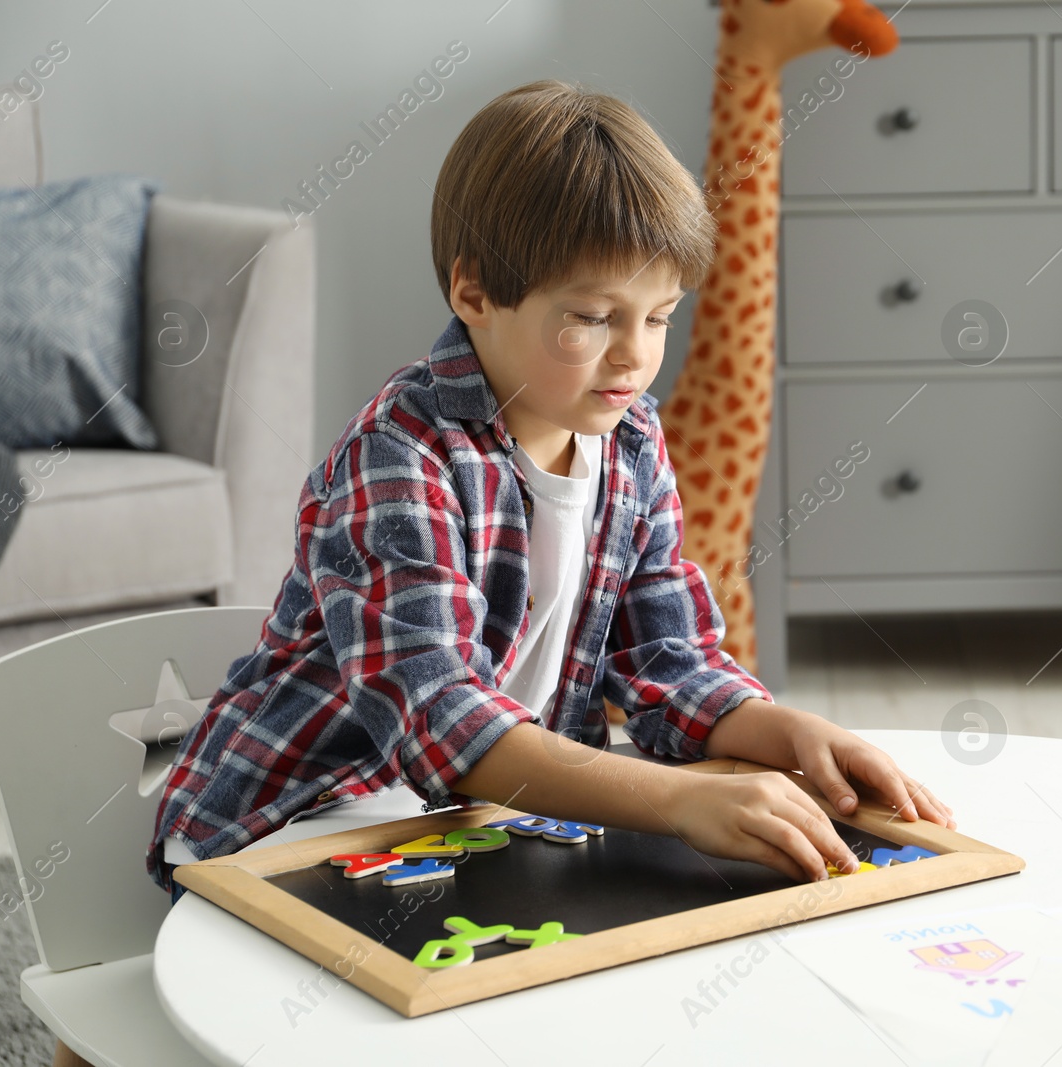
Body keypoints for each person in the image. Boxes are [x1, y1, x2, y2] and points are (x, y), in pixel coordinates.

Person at [147, 80, 953, 901]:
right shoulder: (398, 459)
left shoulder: (631, 441)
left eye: (659, 315)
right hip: (291, 829)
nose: (635, 357)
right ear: (475, 295)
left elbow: (669, 663)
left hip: (461, 824)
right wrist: (675, 797)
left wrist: (791, 732)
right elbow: (442, 722)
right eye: (593, 317)